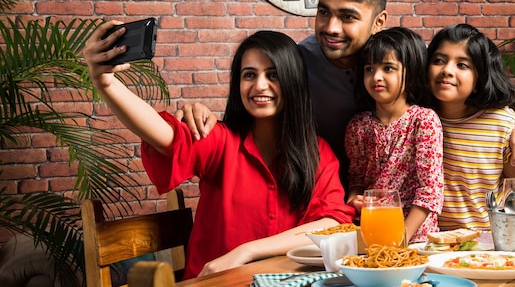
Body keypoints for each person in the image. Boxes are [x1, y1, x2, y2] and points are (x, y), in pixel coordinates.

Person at [177, 0, 515, 190]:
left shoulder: (402, 60)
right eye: (324, 12)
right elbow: (253, 106)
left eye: (348, 17)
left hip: (399, 213)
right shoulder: (298, 62)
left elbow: (456, 99)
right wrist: (199, 111)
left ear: (378, 21)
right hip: (315, 202)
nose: (331, 27)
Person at [84, 26, 355, 278]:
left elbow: (330, 224)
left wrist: (246, 251)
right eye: (249, 75)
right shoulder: (220, 140)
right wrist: (106, 83)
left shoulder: (317, 152)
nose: (260, 85)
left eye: (273, 74)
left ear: (293, 81)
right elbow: (164, 136)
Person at [426, 24, 515, 230]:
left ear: (479, 79)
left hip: (487, 243)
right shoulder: (415, 118)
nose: (447, 70)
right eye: (439, 60)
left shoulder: (499, 123)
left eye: (462, 65)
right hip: (431, 242)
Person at [344, 27, 444, 243]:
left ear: (412, 72)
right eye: (369, 69)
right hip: (371, 233)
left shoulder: (424, 121)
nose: (376, 77)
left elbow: (430, 190)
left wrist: (402, 237)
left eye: (388, 68)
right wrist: (354, 198)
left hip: (416, 239)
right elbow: (357, 179)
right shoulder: (358, 126)